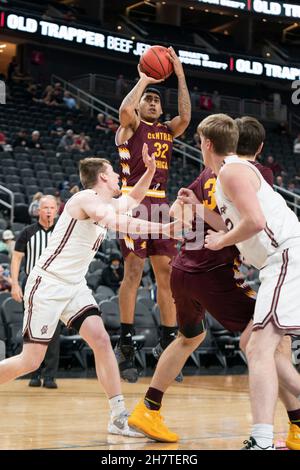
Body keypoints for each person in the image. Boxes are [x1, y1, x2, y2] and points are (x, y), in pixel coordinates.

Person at [128, 116, 300, 450]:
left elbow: (239, 220)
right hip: (216, 272)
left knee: (198, 339)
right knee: (264, 345)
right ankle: (291, 427)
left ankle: (149, 407)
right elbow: (245, 221)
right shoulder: (239, 173)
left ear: (209, 143)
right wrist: (217, 235)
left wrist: (182, 221)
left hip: (185, 269)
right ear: (259, 148)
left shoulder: (221, 173)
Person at [1, 150, 184, 436]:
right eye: (114, 173)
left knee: (99, 338)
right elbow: (116, 222)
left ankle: (117, 416)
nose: (118, 177)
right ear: (102, 177)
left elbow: (133, 199)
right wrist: (165, 228)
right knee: (31, 360)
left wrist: (149, 171)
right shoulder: (85, 199)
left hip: (74, 285)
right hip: (48, 283)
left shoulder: (107, 202)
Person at [200, 114, 300, 450]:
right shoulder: (227, 174)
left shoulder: (232, 171)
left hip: (286, 257)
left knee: (258, 348)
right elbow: (243, 220)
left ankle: (261, 440)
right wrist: (201, 214)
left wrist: (223, 240)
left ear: (207, 143)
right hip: (279, 262)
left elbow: (256, 222)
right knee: (253, 347)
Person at [114, 47, 191, 383]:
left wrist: (181, 74)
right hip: (133, 202)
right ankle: (126, 342)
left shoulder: (167, 131)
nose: (153, 104)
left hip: (160, 205)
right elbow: (125, 108)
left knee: (167, 275)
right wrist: (144, 79)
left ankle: (167, 340)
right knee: (133, 270)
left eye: (158, 101)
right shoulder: (130, 127)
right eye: (149, 100)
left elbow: (186, 117)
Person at [11, 196, 61, 389]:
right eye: (45, 208)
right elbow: (16, 259)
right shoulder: (27, 232)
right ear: (38, 210)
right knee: (31, 330)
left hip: (55, 286)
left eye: (52, 208)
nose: (48, 211)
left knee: (53, 332)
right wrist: (15, 284)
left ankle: (50, 376)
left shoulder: (62, 233)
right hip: (32, 286)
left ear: (57, 210)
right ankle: (34, 373)